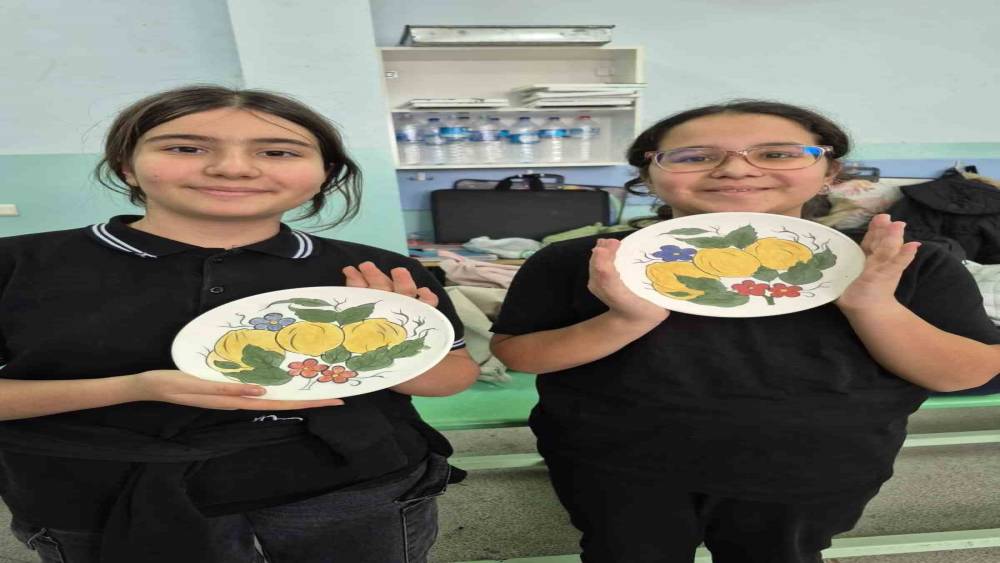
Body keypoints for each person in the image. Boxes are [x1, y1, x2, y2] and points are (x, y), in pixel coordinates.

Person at [490, 100, 1000, 563]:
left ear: (830, 172)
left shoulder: (906, 263)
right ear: (649, 174)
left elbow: (965, 373)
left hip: (816, 469)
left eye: (777, 154)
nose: (736, 169)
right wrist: (624, 320)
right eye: (695, 156)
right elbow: (521, 354)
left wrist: (873, 305)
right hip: (613, 466)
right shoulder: (577, 260)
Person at [0, 85, 479, 563]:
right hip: (94, 490)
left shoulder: (377, 272)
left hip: (348, 486)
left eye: (278, 152)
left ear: (325, 173)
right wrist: (136, 387)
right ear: (127, 164)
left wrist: (398, 339)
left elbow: (452, 376)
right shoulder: (21, 264)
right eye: (185, 148)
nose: (233, 168)